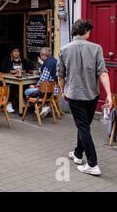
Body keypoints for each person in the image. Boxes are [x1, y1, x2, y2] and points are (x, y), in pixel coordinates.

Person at [58, 20, 112, 176]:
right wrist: (109, 93)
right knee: (84, 126)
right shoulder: (96, 48)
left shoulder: (64, 49)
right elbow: (103, 72)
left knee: (83, 127)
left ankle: (93, 164)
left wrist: (62, 90)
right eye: (89, 31)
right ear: (86, 32)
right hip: (92, 95)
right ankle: (77, 153)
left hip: (74, 95)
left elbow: (60, 75)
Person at [24, 47, 59, 118]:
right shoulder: (55, 61)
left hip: (47, 91)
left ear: (43, 55)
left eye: (41, 55)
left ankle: (41, 107)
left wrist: (35, 86)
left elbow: (43, 80)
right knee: (31, 88)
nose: (40, 57)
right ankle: (44, 105)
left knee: (26, 91)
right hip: (55, 89)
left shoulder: (47, 64)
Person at [1, 47, 31, 113]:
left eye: (17, 51)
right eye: (14, 51)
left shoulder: (22, 60)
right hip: (9, 80)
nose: (16, 53)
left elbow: (28, 68)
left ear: (19, 53)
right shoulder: (7, 59)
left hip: (21, 79)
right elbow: (3, 69)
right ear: (11, 52)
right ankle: (9, 103)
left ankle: (23, 100)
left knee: (27, 85)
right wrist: (12, 71)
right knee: (12, 86)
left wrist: (24, 71)